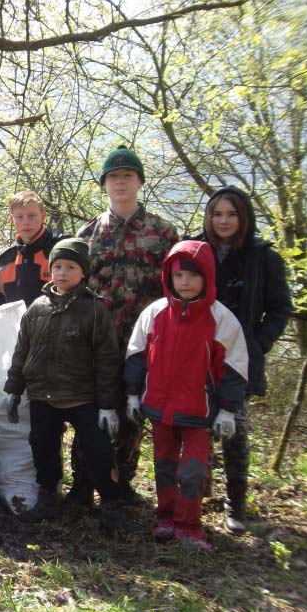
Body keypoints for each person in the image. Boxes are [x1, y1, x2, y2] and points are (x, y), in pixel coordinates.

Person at [3, 239, 137, 533]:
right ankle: (48, 498)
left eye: (71, 267)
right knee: (42, 447)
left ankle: (111, 505)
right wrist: (14, 388)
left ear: (83, 273)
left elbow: (107, 360)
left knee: (99, 451)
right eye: (58, 267)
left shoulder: (94, 310)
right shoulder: (36, 308)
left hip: (83, 397)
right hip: (42, 395)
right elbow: (21, 349)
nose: (62, 273)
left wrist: (107, 406)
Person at [124, 240, 248, 551]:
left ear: (207, 277)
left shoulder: (221, 319)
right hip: (158, 408)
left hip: (198, 412)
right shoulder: (155, 312)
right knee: (164, 465)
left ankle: (189, 525)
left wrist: (228, 411)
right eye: (179, 276)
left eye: (193, 276)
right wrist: (132, 395)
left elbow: (233, 369)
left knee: (192, 472)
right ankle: (166, 517)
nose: (186, 283)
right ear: (169, 277)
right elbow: (136, 355)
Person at [73, 145, 179, 506]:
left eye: (127, 176)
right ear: (104, 184)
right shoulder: (87, 234)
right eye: (113, 177)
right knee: (90, 412)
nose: (120, 183)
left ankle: (122, 484)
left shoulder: (163, 233)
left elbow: (176, 288)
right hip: (95, 342)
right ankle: (84, 483)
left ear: (139, 182)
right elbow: (74, 289)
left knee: (132, 413)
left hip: (143, 341)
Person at [194, 187, 292, 533]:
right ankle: (196, 490)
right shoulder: (195, 249)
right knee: (195, 425)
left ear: (244, 217)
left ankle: (235, 503)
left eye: (231, 214)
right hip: (196, 354)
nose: (223, 221)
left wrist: (256, 345)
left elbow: (281, 309)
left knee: (234, 430)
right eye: (217, 213)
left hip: (237, 359)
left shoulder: (263, 257)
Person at [0, 190, 67, 309]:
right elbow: (5, 299)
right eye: (19, 217)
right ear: (12, 220)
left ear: (43, 216)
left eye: (32, 216)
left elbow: (79, 296)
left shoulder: (63, 251)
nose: (26, 222)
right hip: (16, 326)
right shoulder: (6, 260)